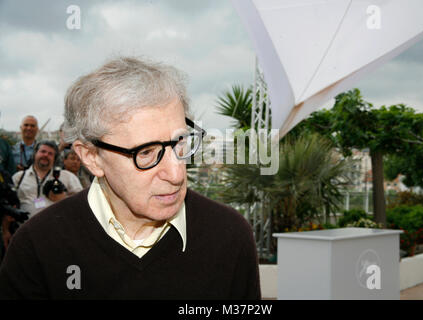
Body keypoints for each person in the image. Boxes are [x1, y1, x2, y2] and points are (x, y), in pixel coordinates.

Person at [0, 57, 261, 299]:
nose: (176, 173)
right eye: (146, 153)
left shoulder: (229, 236)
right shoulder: (38, 247)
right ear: (91, 157)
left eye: (181, 143)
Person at [1, 141, 83, 250]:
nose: (46, 155)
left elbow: (83, 205)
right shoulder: (18, 177)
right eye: (43, 151)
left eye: (50, 154)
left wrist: (64, 199)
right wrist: (5, 230)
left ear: (55, 158)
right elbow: (8, 207)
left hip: (58, 239)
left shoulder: (67, 177)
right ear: (35, 154)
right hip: (24, 238)